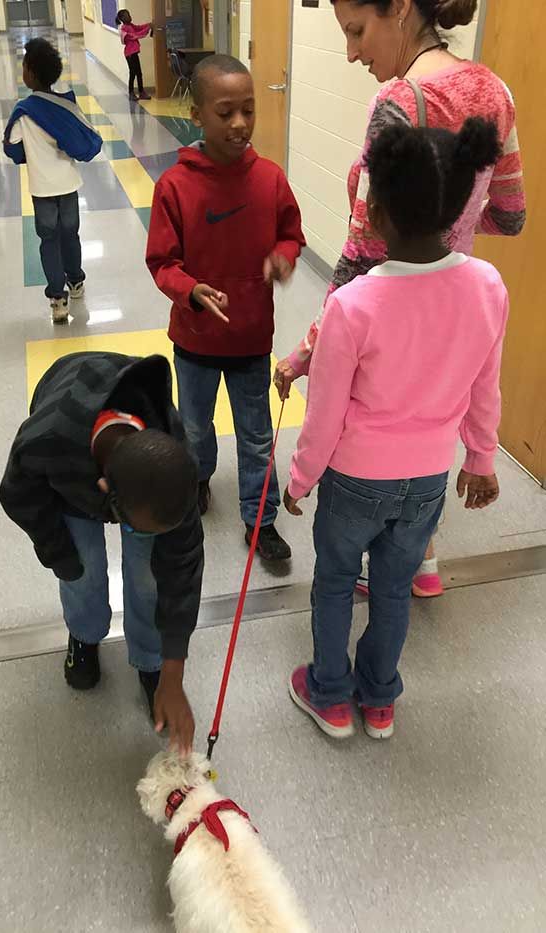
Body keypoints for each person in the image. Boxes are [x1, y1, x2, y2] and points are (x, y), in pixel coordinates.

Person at [274, 0, 526, 597]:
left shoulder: (397, 103)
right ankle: (424, 562)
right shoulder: (497, 92)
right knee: (427, 426)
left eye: (357, 31)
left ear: (402, 10)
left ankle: (370, 558)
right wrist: (455, 226)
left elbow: (362, 260)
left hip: (387, 315)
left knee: (375, 434)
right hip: (452, 309)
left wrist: (306, 352)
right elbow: (511, 216)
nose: (352, 52)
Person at [285, 117, 506, 741]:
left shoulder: (352, 304)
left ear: (375, 212)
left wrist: (300, 479)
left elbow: (325, 411)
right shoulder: (486, 285)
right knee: (392, 588)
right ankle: (380, 699)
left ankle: (329, 693)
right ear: (460, 206)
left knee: (333, 581)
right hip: (428, 479)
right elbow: (485, 384)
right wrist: (481, 459)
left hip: (356, 480)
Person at [0, 352, 204, 755]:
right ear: (105, 496)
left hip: (127, 475)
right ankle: (84, 634)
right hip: (71, 445)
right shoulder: (46, 442)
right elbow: (17, 496)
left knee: (150, 575)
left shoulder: (174, 464)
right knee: (84, 566)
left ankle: (149, 660)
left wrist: (173, 672)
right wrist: (61, 556)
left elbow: (182, 566)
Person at [146, 55, 306, 563]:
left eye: (248, 110)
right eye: (225, 112)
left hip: (251, 339)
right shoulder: (174, 186)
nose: (240, 123)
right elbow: (162, 260)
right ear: (197, 116)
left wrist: (284, 256)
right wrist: (190, 290)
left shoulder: (271, 180)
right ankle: (198, 480)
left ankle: (261, 521)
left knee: (257, 435)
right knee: (194, 428)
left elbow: (290, 233)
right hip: (194, 341)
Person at [3, 38, 102, 324]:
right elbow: (82, 137)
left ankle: (58, 300)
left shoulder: (24, 111)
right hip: (69, 184)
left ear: (31, 73)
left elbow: (12, 147)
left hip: (41, 188)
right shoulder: (65, 105)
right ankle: (76, 282)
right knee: (71, 234)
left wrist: (29, 154)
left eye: (24, 67)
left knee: (49, 239)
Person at [116, 10, 152, 102]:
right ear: (122, 19)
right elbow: (136, 35)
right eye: (127, 16)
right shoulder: (124, 29)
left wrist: (148, 25)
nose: (129, 17)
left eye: (129, 15)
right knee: (133, 73)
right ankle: (131, 92)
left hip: (134, 53)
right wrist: (148, 29)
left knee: (139, 73)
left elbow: (139, 28)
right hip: (130, 54)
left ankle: (141, 92)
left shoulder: (130, 25)